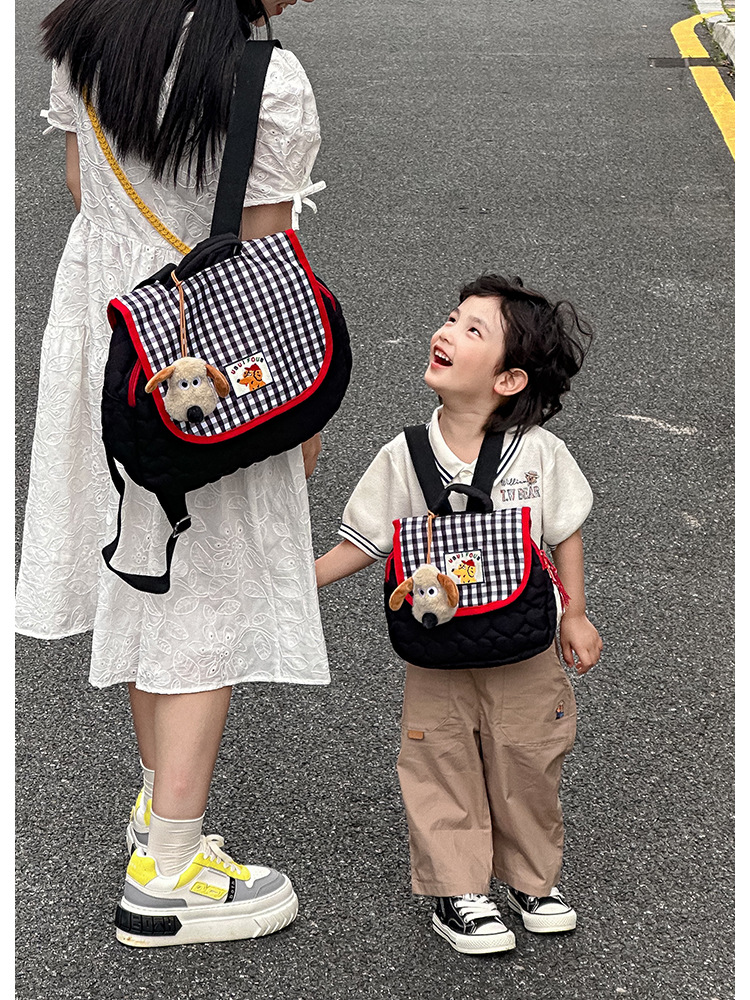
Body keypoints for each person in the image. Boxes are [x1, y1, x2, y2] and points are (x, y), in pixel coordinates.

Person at [16, 0, 331, 948]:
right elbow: (268, 262)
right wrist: (298, 425)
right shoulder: (265, 78)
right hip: (211, 365)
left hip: (109, 338)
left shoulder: (87, 34)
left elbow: (82, 182)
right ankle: (170, 877)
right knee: (206, 597)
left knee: (143, 573)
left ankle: (160, 815)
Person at [315, 273, 603, 955]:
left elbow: (564, 531)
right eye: (451, 318)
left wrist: (575, 613)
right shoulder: (406, 456)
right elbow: (364, 540)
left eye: (473, 329)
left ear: (508, 380)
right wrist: (298, 585)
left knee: (529, 757)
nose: (446, 331)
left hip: (525, 642)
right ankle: (458, 888)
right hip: (436, 647)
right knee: (438, 757)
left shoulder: (538, 453)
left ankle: (531, 880)